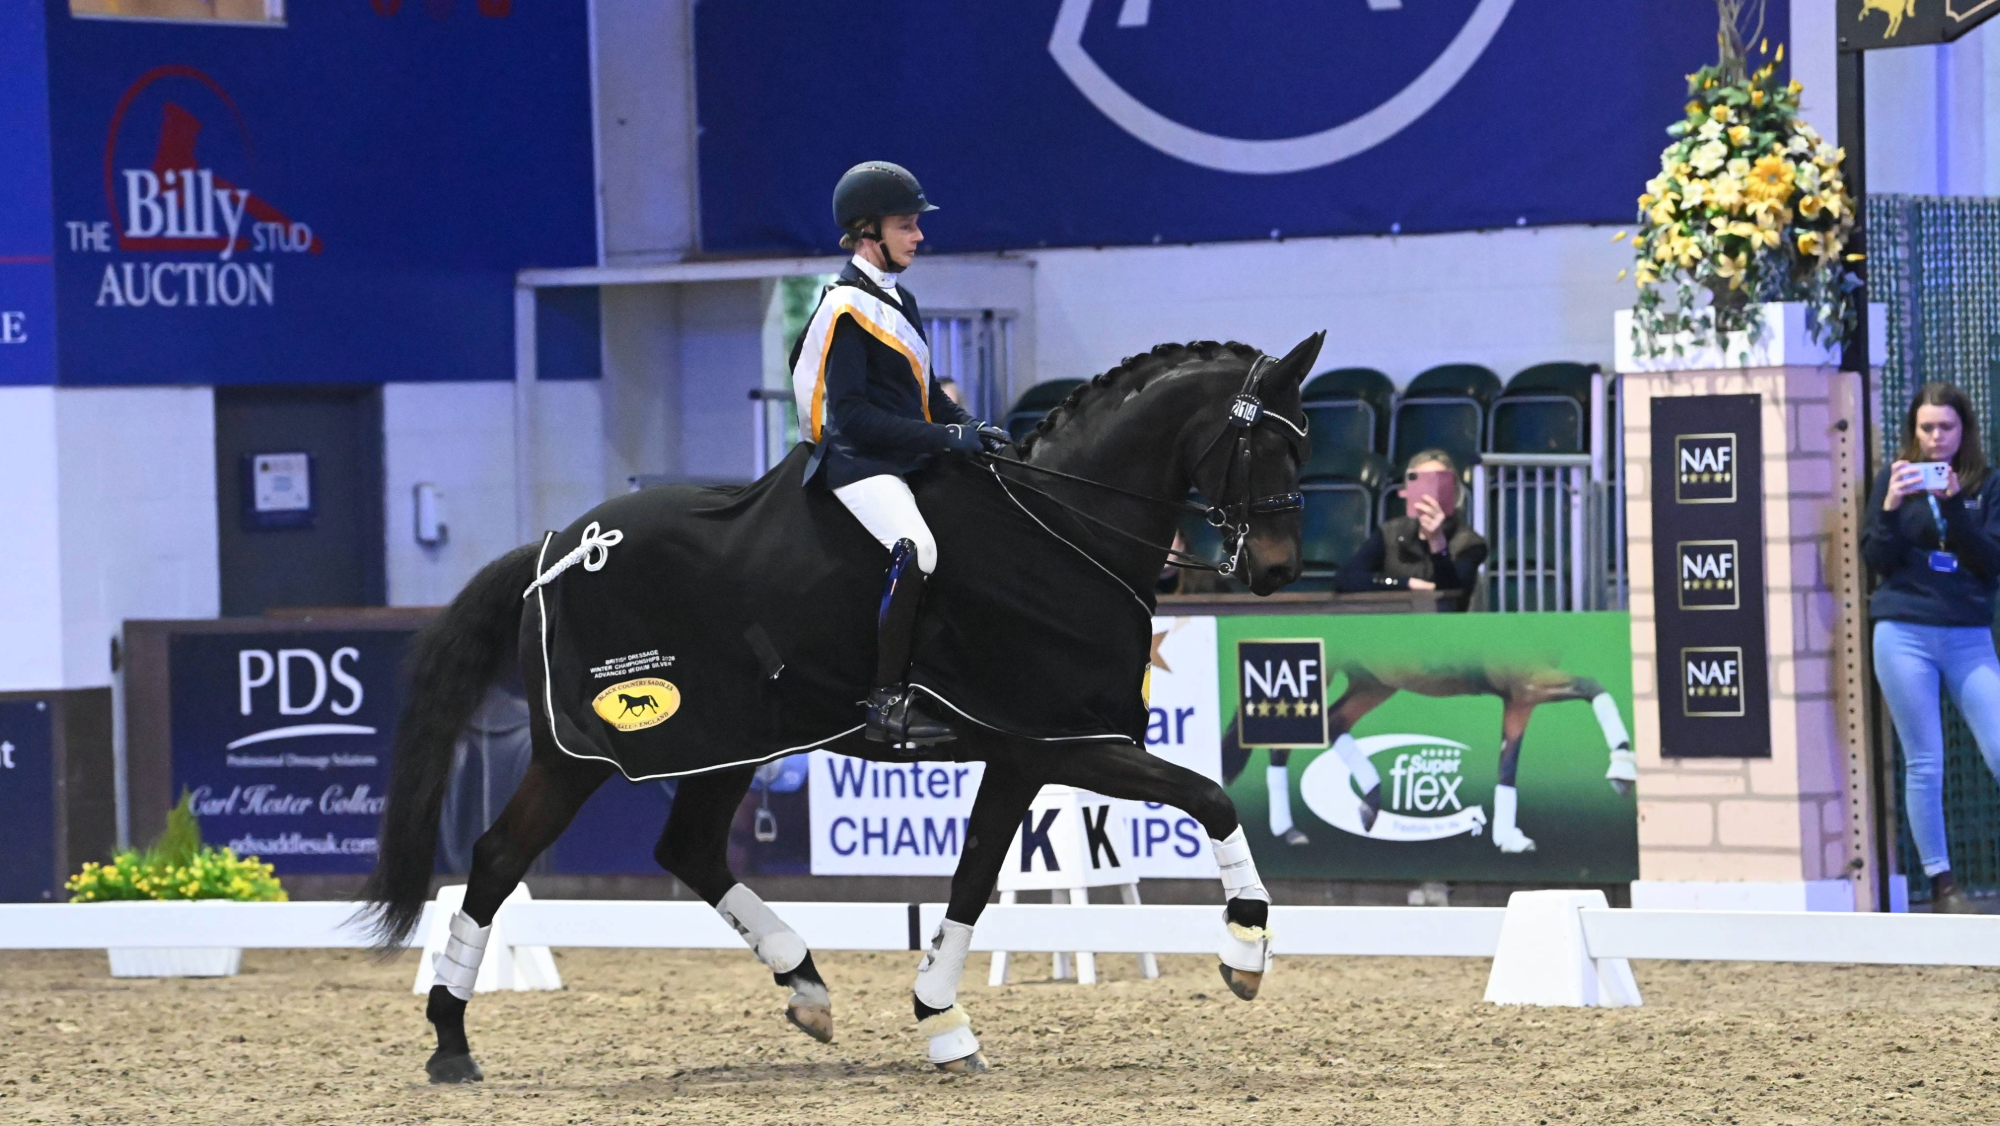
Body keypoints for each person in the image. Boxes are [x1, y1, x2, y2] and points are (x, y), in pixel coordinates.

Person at [788, 161, 1009, 746]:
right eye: (907, 226)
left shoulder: (900, 298)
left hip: (906, 456)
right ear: (869, 232)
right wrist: (945, 439)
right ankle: (885, 701)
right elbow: (852, 414)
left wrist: (972, 427)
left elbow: (928, 393)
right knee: (920, 548)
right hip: (861, 463)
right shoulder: (844, 307)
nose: (918, 236)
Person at [1863, 382, 2000, 914]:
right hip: (1904, 632)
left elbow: (1991, 561)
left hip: (1967, 634)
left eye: (1946, 427)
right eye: (1926, 428)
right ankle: (1942, 885)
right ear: (1913, 431)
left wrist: (1956, 508)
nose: (1936, 438)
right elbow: (1877, 556)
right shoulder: (1893, 478)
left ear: (1964, 430)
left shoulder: (1987, 485)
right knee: (1925, 760)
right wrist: (1893, 504)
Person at [1333, 449, 1487, 610]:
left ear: (1454, 491)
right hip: (1393, 623)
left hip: (1442, 630)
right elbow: (1345, 578)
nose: (1431, 491)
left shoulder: (1470, 543)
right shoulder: (1391, 532)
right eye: (1422, 482)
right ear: (1408, 489)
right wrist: (1405, 584)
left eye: (1440, 482)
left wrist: (1437, 542)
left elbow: (1451, 597)